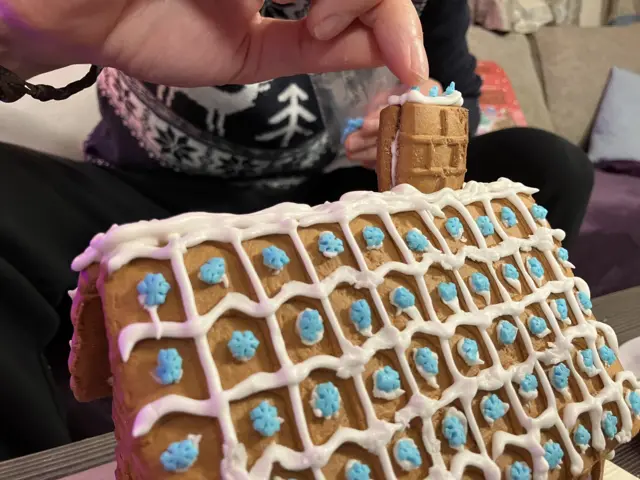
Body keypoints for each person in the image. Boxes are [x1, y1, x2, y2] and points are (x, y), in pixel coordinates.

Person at [0, 0, 592, 461]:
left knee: (548, 165)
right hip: (147, 202)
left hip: (326, 206)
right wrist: (18, 41)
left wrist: (417, 104)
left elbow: (452, 87)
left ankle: (475, 388)